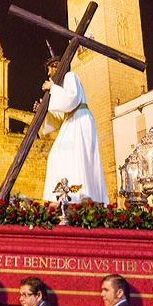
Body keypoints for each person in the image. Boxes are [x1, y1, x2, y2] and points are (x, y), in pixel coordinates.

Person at [37, 56, 108, 204]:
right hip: (70, 120)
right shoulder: (61, 88)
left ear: (58, 68)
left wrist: (53, 88)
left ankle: (85, 195)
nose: (50, 76)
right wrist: (42, 109)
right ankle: (63, 196)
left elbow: (72, 99)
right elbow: (60, 116)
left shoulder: (70, 76)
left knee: (80, 156)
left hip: (81, 120)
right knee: (56, 155)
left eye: (51, 72)